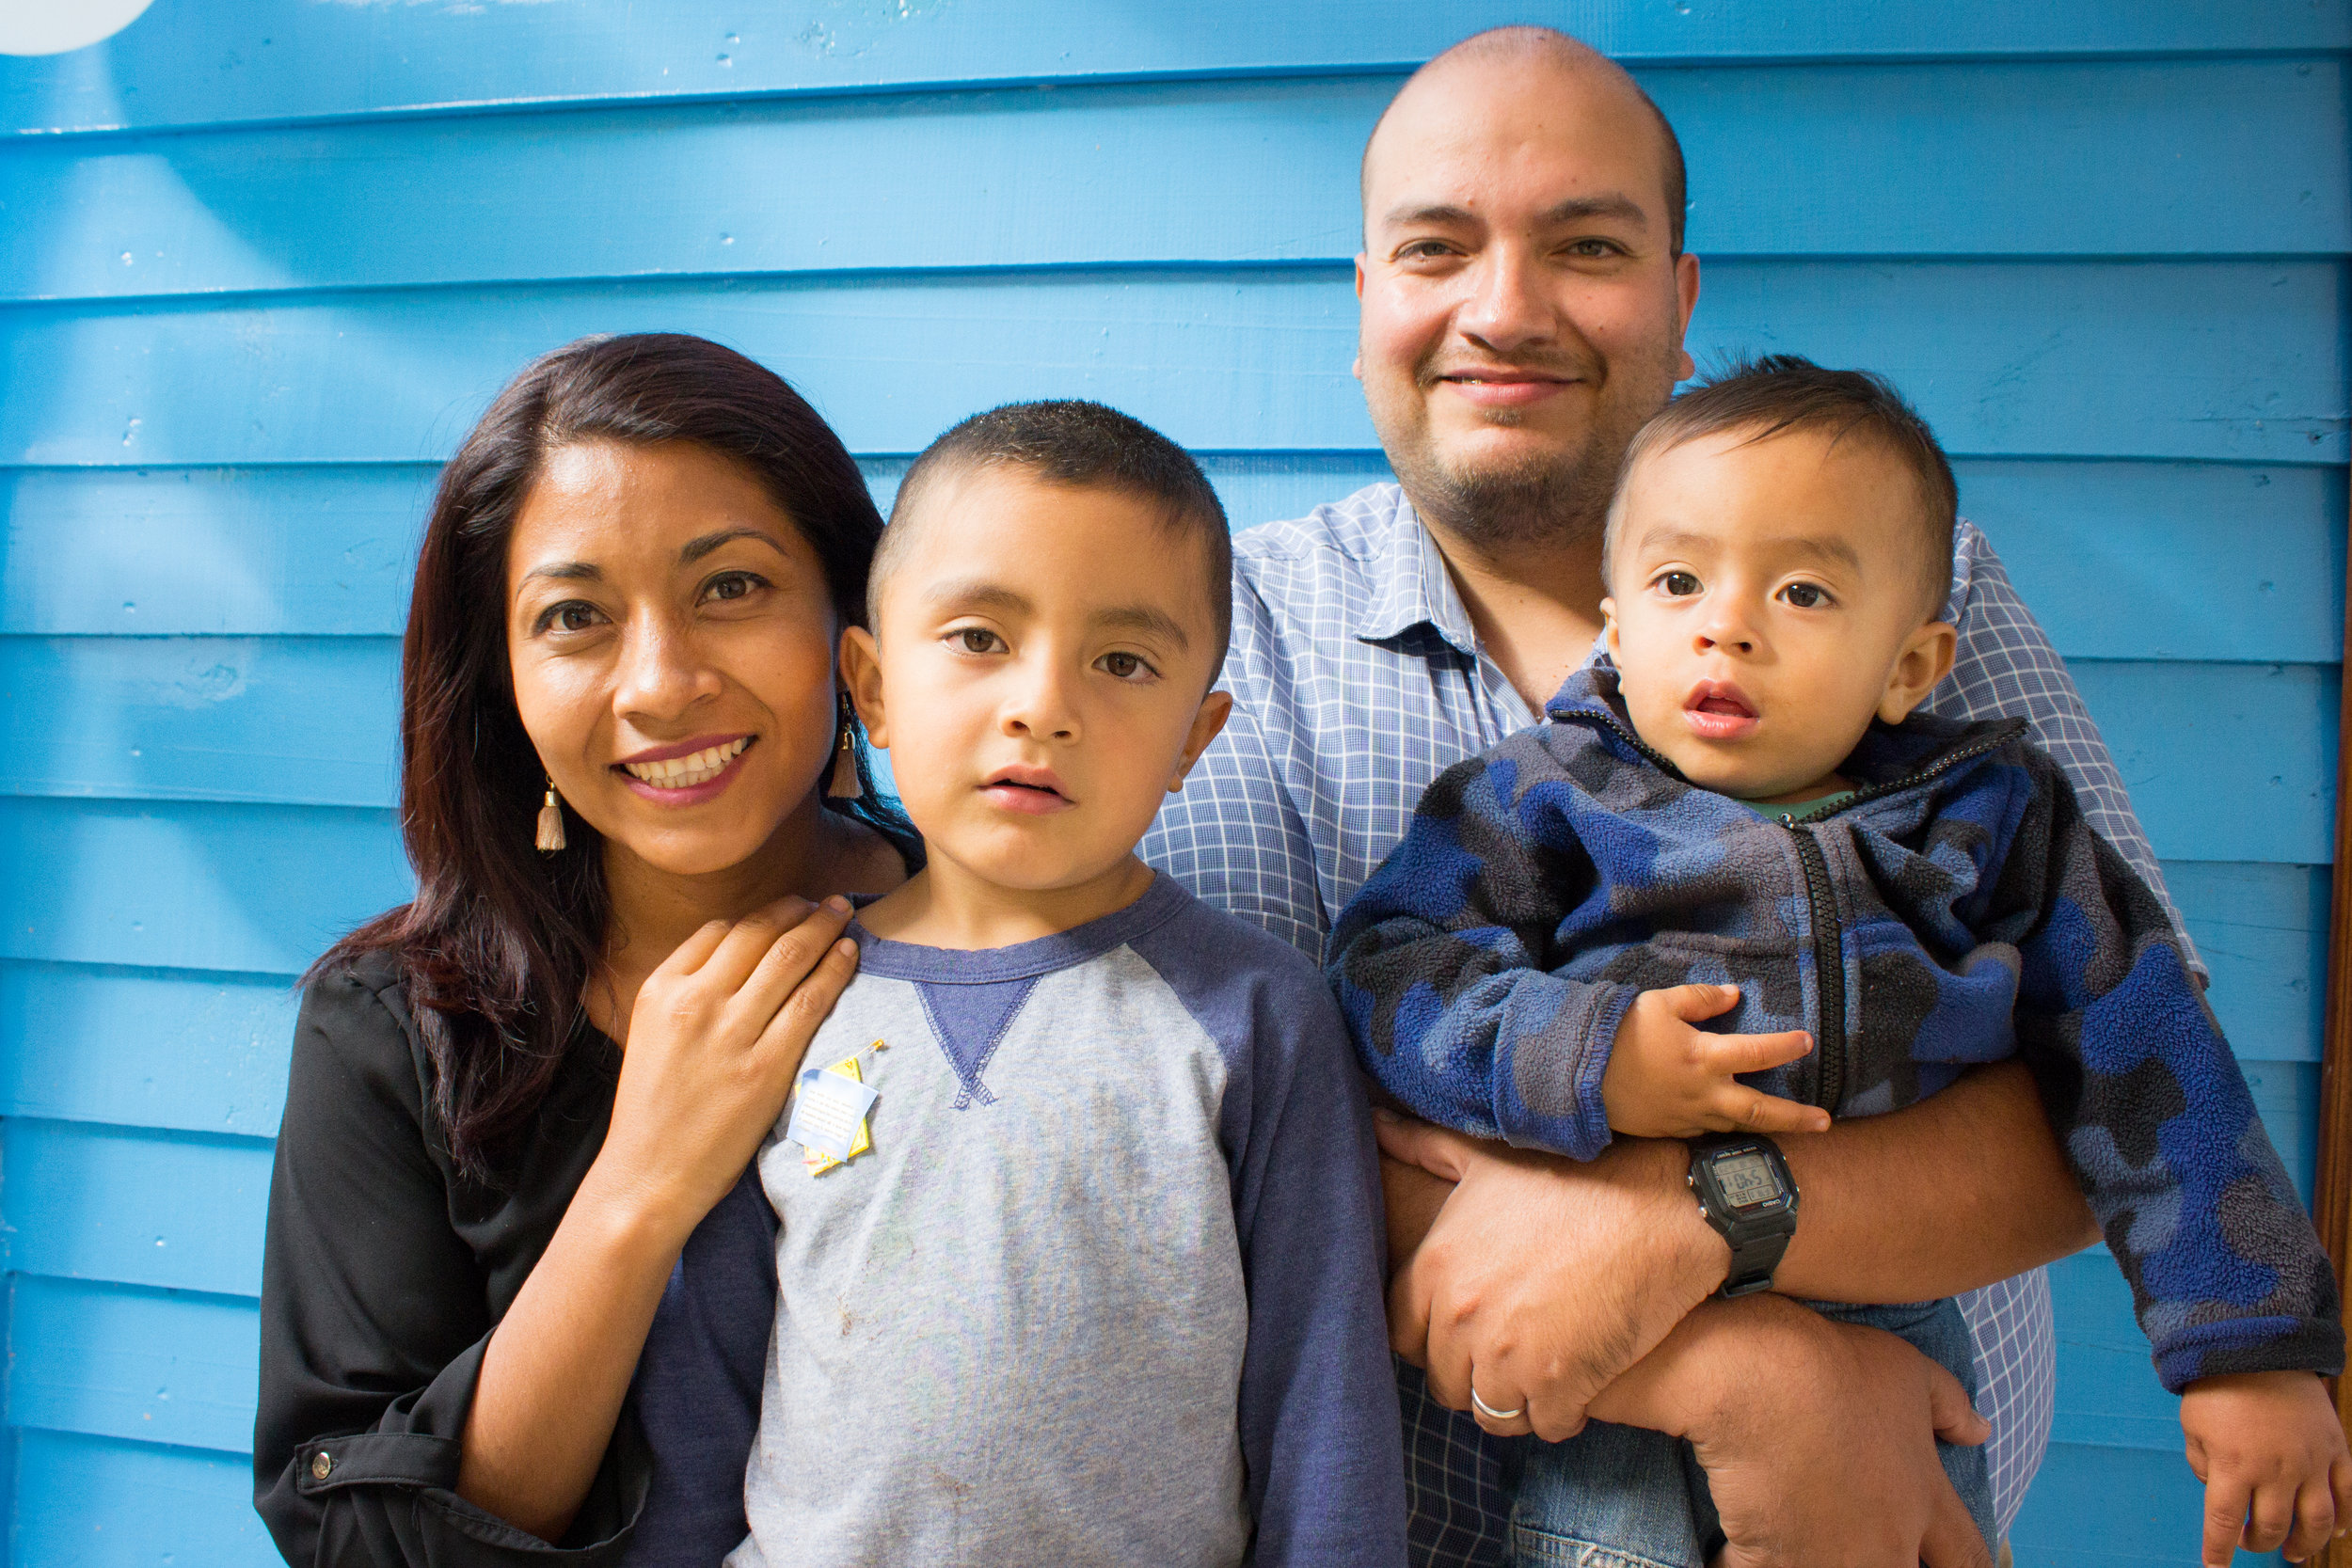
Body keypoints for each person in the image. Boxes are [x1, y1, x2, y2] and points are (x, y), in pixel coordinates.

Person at [1139, 25, 2182, 1565]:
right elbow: (1192, 1141)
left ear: (1681, 300)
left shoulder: (1906, 580)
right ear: (1364, 307)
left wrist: (1705, 1213)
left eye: (1588, 245)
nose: (1505, 308)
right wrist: (1753, 1375)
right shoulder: (1218, 635)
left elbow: (2127, 1068)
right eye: (1438, 248)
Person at [1327, 356, 2350, 1568]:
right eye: (1674, 580)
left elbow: (2148, 1056)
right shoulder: (1541, 798)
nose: (1726, 622)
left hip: (1904, 1323)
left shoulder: (1996, 817)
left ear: (1912, 665)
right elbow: (1390, 966)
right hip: (1622, 1358)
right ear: (1613, 630)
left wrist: (2255, 1349)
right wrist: (1585, 1055)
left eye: (1803, 591)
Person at [254, 333, 920, 1564]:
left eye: (730, 586)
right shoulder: (395, 1026)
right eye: (575, 617)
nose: (661, 682)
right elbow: (352, 1532)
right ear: (501, 677)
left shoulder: (1025, 938)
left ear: (852, 621)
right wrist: (641, 1183)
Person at [719, 400, 1405, 1566]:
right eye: (980, 637)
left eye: (1122, 661)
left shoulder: (1252, 1014)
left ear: (1195, 739)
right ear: (872, 686)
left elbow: (1323, 1396)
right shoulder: (787, 996)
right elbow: (708, 1371)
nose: (1043, 703)